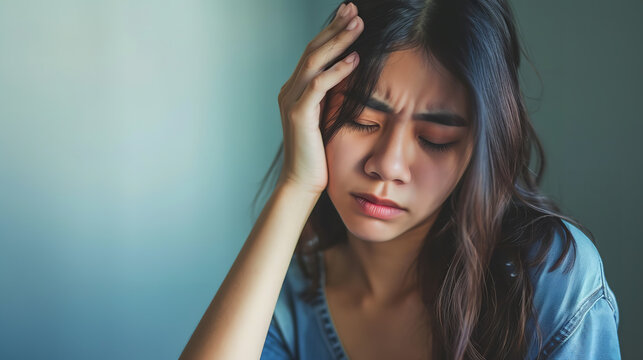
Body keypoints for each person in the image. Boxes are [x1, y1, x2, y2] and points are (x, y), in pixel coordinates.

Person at [180, 0, 621, 359]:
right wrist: (296, 185)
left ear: (480, 149)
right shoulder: (286, 298)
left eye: (434, 139)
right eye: (361, 120)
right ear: (312, 109)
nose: (388, 166)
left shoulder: (550, 280)